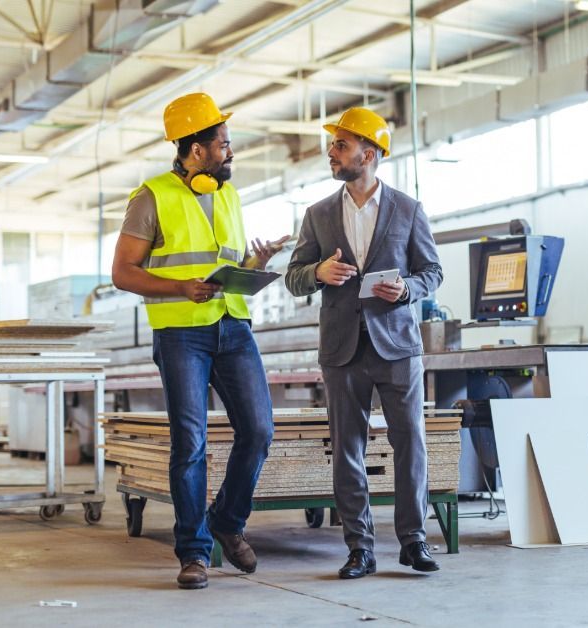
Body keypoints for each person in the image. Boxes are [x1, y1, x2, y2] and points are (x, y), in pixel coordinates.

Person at [111, 93, 288, 590]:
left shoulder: (229, 194)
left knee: (258, 430)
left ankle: (226, 522)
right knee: (190, 443)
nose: (230, 153)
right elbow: (122, 273)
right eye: (223, 144)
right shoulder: (151, 197)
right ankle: (193, 552)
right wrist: (179, 289)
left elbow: (221, 268)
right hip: (181, 334)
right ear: (196, 150)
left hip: (233, 325)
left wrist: (255, 265)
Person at [285, 107, 443, 578]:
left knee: (409, 443)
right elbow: (293, 278)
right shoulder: (317, 215)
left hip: (396, 345)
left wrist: (408, 290)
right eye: (333, 145)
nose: (331, 153)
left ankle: (414, 542)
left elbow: (432, 271)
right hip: (342, 349)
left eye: (340, 145)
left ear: (368, 154)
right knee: (347, 448)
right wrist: (317, 272)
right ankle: (361, 549)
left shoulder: (409, 209)